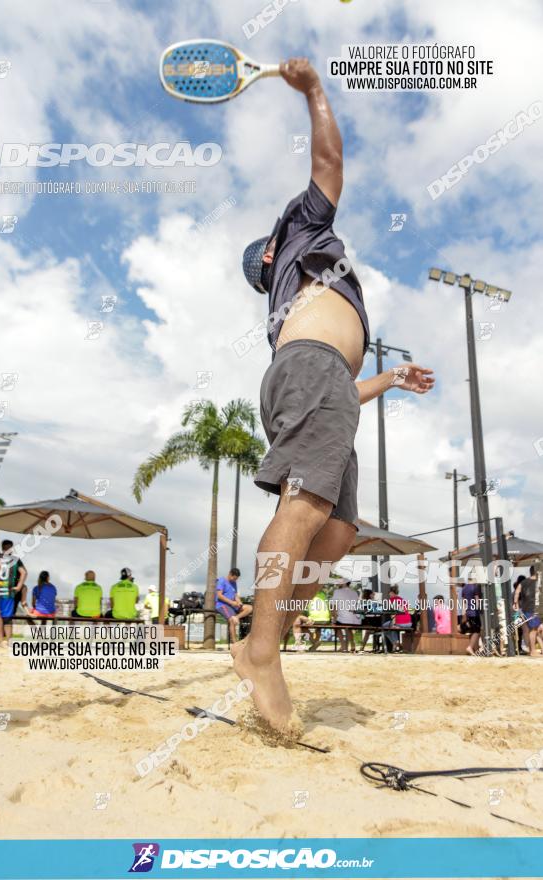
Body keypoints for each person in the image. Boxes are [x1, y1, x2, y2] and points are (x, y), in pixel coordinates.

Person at [233, 56, 435, 732]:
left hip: (327, 384)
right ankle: (261, 652)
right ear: (271, 256)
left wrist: (390, 379)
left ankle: (267, 635)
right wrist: (314, 90)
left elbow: (338, 390)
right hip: (313, 372)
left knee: (339, 531)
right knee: (306, 505)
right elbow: (328, 167)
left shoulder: (304, 290)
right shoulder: (299, 232)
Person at [215, 568, 253, 643]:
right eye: (234, 578)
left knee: (249, 608)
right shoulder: (221, 581)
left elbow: (235, 595)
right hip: (222, 605)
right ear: (230, 574)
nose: (234, 580)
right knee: (232, 621)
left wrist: (239, 602)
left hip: (232, 605)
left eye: (236, 579)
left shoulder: (234, 583)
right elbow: (219, 596)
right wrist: (232, 603)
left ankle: (236, 617)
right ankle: (235, 643)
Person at [513, 566, 542, 657]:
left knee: (535, 629)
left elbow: (517, 591)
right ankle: (533, 651)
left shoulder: (523, 582)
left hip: (527, 609)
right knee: (533, 630)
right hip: (533, 609)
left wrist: (515, 603)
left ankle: (531, 650)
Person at [331, 580, 360, 653]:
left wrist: (334, 618)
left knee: (335, 626)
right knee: (348, 627)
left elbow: (334, 607)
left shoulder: (337, 592)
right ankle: (352, 644)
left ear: (344, 582)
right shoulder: (354, 592)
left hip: (344, 619)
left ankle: (343, 645)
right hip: (355, 620)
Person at [382, 585, 412, 651]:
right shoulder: (402, 599)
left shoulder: (392, 600)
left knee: (384, 627)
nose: (389, 594)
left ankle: (395, 643)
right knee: (391, 626)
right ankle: (396, 644)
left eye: (389, 593)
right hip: (409, 623)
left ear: (392, 593)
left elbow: (393, 615)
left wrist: (394, 625)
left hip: (400, 623)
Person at [460, 577, 483, 655]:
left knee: (474, 631)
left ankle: (476, 650)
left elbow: (464, 602)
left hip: (468, 612)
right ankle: (470, 647)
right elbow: (477, 600)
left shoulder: (464, 588)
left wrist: (464, 614)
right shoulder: (475, 587)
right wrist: (480, 609)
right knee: (477, 631)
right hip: (474, 612)